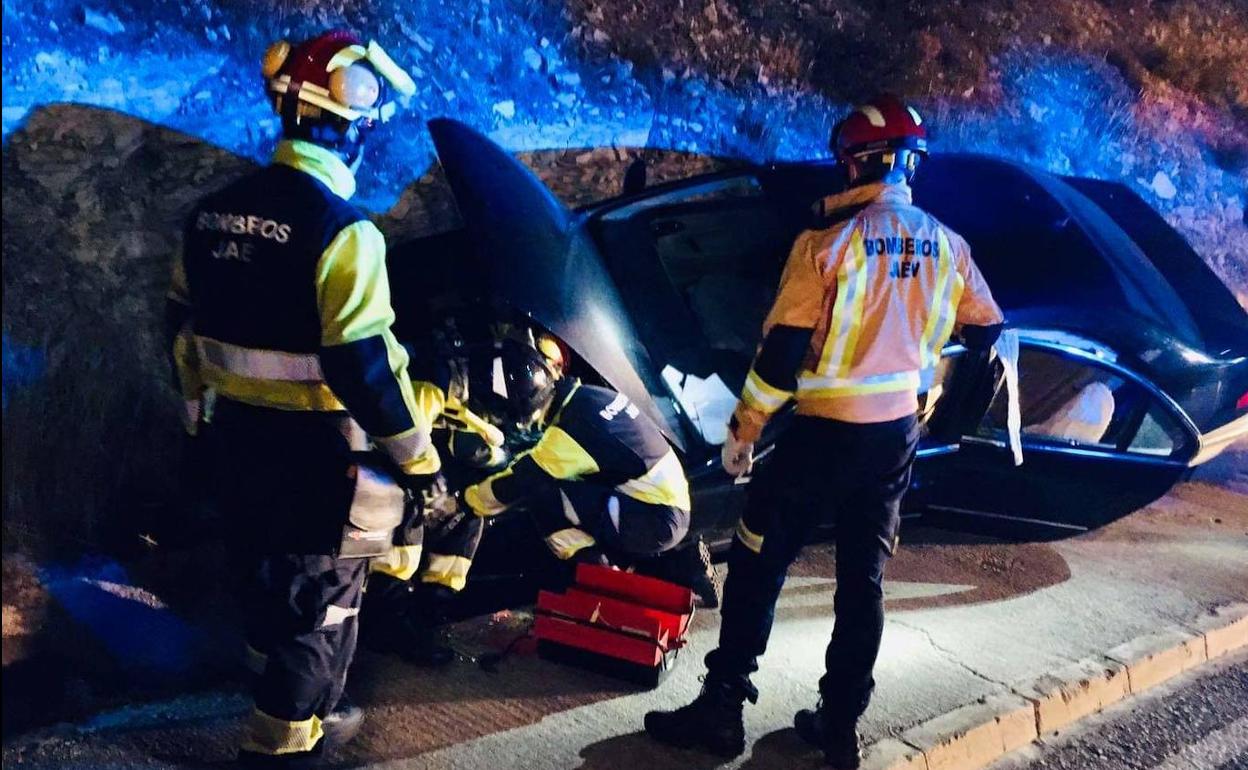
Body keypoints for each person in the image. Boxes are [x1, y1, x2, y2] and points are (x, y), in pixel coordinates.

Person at [643, 94, 1005, 768]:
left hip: (821, 436)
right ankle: (839, 727)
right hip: (894, 438)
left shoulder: (828, 243)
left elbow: (782, 355)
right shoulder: (948, 245)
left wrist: (744, 430)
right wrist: (919, 363)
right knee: (862, 581)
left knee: (758, 561)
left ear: (858, 163)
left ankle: (723, 709)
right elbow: (987, 328)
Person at [165, 29, 434, 768]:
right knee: (323, 607)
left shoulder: (209, 215)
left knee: (262, 582)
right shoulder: (345, 233)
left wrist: (195, 428)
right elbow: (363, 364)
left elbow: (180, 335)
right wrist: (420, 462)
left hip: (234, 437)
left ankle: (275, 696)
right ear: (352, 128)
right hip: (319, 455)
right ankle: (283, 745)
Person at [460, 329, 699, 580]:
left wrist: (469, 501)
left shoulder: (572, 430)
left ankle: (598, 574)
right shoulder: (588, 396)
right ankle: (636, 565)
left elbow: (520, 480)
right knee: (573, 491)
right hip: (663, 508)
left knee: (544, 494)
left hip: (654, 519)